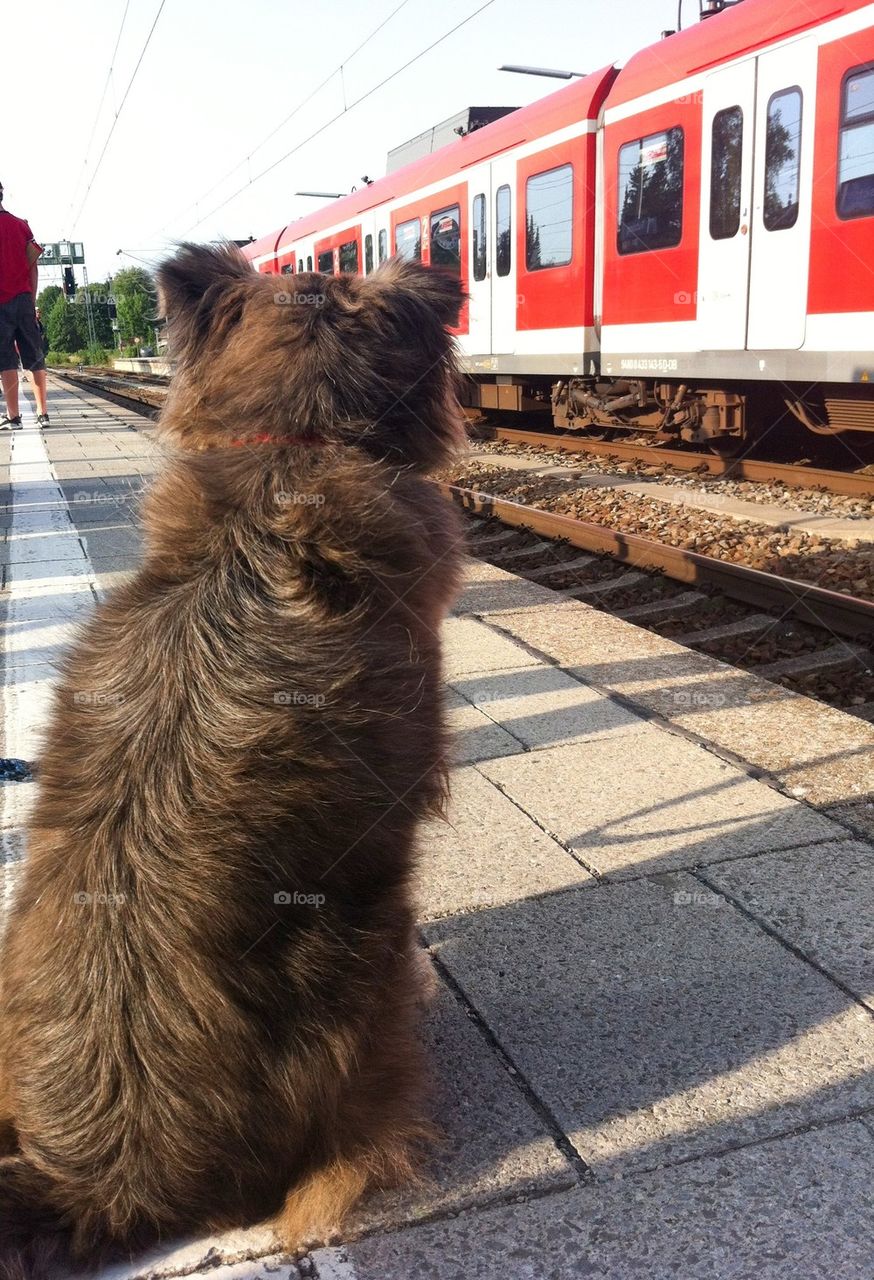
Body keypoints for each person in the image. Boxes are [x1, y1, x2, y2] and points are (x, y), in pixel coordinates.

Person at [0, 180, 49, 428]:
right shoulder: (21, 226)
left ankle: (14, 416)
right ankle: (43, 413)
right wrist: (31, 300)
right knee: (33, 355)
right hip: (23, 300)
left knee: (5, 360)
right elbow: (33, 267)